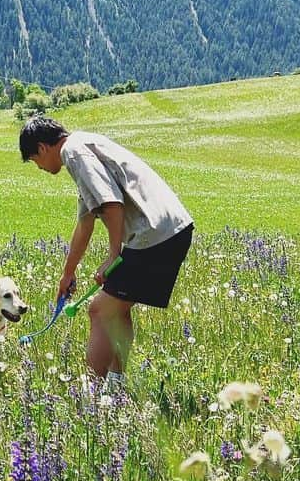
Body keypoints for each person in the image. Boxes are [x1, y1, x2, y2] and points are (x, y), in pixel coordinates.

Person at [19, 115, 193, 379]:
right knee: (115, 310)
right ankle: (116, 385)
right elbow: (85, 224)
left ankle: (93, 397)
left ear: (43, 148)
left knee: (99, 311)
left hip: (153, 236)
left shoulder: (74, 152)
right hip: (167, 231)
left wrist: (114, 257)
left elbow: (112, 204)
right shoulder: (82, 146)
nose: (39, 168)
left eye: (35, 161)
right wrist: (68, 273)